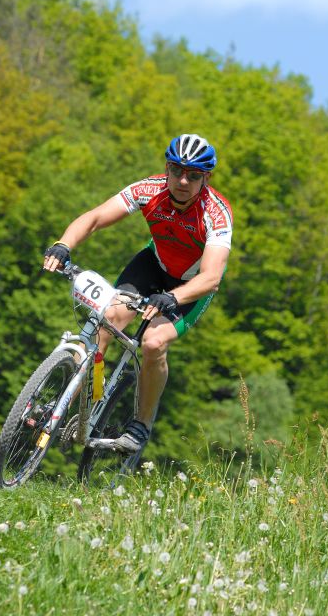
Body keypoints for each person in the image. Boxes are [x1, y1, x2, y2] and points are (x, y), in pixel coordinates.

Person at [43, 133, 233, 454]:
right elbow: (95, 218)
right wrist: (64, 244)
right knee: (108, 319)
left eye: (194, 175)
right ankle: (62, 406)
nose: (182, 181)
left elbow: (211, 276)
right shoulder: (150, 190)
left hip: (191, 284)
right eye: (176, 170)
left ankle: (140, 425)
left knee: (153, 343)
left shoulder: (215, 212)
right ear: (167, 168)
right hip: (153, 264)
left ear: (206, 178)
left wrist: (173, 297)